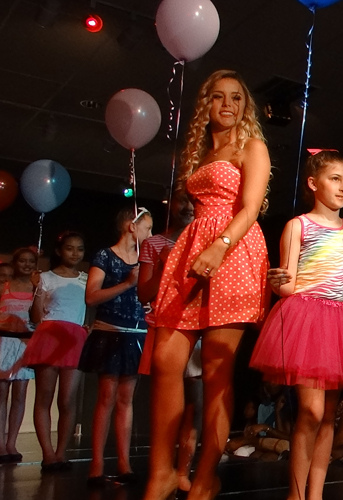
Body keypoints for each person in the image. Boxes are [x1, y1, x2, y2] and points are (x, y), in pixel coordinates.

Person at [143, 69, 271, 500]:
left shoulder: (251, 147)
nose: (228, 104)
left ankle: (205, 478)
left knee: (217, 371)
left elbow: (251, 207)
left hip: (233, 249)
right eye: (218, 97)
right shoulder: (200, 154)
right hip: (194, 247)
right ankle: (161, 473)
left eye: (236, 97)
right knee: (165, 359)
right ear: (206, 105)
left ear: (245, 106)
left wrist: (220, 246)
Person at [250, 150, 343, 500]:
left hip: (341, 321)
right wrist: (277, 284)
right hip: (307, 319)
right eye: (335, 179)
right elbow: (288, 280)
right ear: (313, 183)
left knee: (328, 414)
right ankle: (296, 494)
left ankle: (315, 494)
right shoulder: (299, 225)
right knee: (311, 409)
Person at [78, 206, 152, 486]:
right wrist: (127, 283)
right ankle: (96, 464)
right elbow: (91, 297)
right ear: (131, 227)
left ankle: (124, 462)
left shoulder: (146, 261)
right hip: (109, 333)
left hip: (135, 334)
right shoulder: (105, 256)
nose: (151, 235)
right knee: (106, 397)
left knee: (125, 399)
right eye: (147, 228)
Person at [137, 190, 202, 495]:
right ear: (170, 204)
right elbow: (143, 293)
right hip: (167, 327)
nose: (187, 207)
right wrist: (164, 267)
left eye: (192, 201)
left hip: (199, 327)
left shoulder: (206, 241)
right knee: (166, 404)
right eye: (181, 200)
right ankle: (162, 470)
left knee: (195, 405)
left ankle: (184, 471)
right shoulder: (154, 244)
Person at [24, 231, 89, 471]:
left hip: (74, 338)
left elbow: (91, 305)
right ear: (59, 251)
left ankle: (61, 452)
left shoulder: (86, 279)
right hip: (49, 336)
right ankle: (48, 454)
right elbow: (36, 316)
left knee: (68, 399)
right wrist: (37, 289)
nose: (75, 253)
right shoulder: (45, 278)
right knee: (45, 396)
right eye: (70, 248)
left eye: (80, 249)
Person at [0, 248, 37, 463]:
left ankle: (11, 443)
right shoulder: (4, 286)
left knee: (20, 395)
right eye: (22, 261)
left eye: (30, 261)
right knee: (1, 393)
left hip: (25, 344)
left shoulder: (36, 288)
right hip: (4, 341)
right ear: (15, 263)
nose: (26, 264)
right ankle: (0, 443)